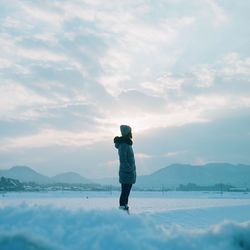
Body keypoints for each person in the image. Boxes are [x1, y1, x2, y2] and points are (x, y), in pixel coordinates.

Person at [114, 125, 136, 213]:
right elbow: (123, 160)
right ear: (127, 132)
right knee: (124, 193)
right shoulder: (123, 145)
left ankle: (124, 209)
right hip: (127, 173)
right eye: (130, 131)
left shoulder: (127, 144)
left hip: (129, 174)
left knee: (126, 194)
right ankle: (122, 211)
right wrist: (129, 169)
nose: (131, 133)